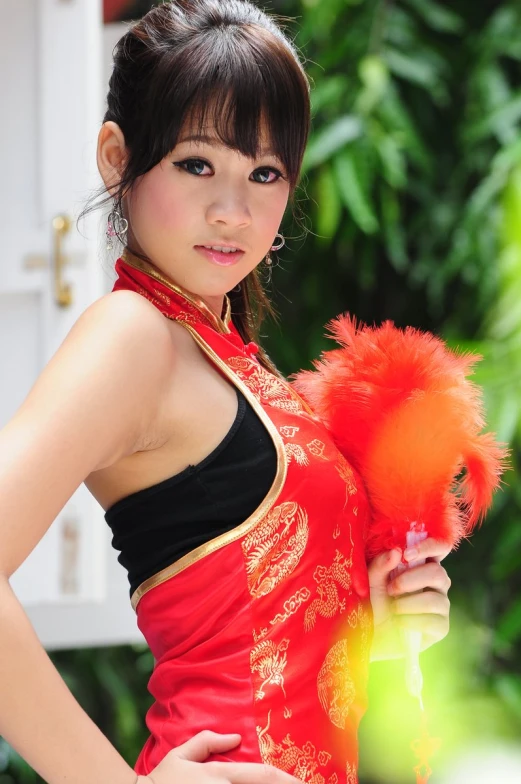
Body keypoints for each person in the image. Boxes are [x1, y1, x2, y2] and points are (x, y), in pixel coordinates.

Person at [0, 1, 451, 783]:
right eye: (197, 164)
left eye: (264, 174)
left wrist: (365, 612)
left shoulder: (226, 353)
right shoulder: (132, 337)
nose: (231, 211)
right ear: (118, 158)